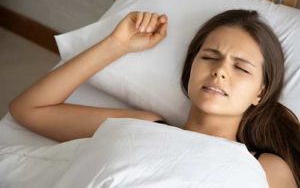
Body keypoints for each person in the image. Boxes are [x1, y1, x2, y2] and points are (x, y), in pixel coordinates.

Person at [9, 10, 299, 187]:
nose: (220, 71)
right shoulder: (144, 127)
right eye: (210, 57)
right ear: (190, 71)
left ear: (260, 93)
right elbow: (29, 109)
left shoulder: (264, 166)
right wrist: (116, 45)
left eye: (240, 67)